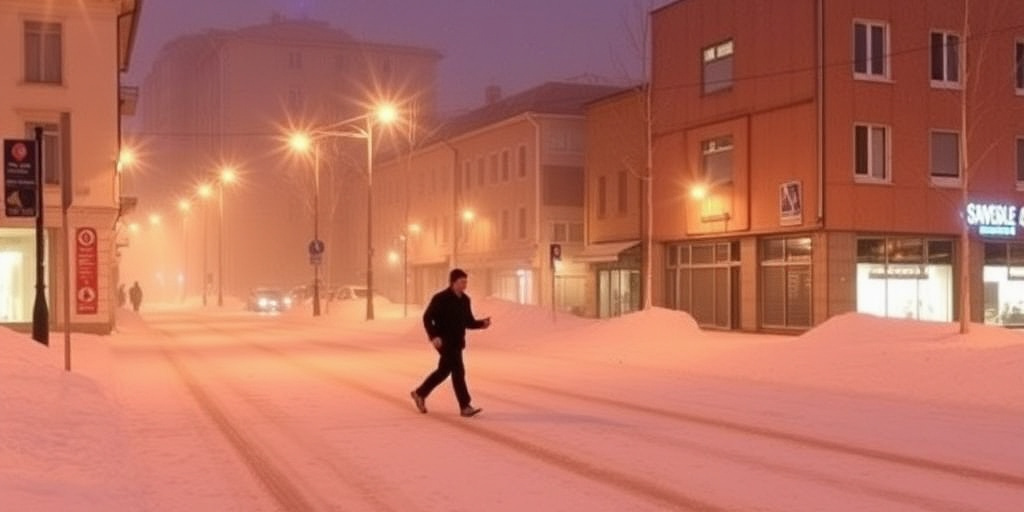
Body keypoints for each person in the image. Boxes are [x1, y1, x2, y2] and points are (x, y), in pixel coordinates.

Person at [411, 268, 490, 417]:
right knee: (458, 371)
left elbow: (468, 322)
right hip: (443, 341)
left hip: (457, 341)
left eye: (466, 282)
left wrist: (482, 324)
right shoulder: (440, 298)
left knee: (444, 371)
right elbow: (427, 317)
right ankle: (465, 406)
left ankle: (419, 393)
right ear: (453, 282)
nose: (464, 285)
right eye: (461, 282)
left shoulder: (465, 300)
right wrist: (434, 336)